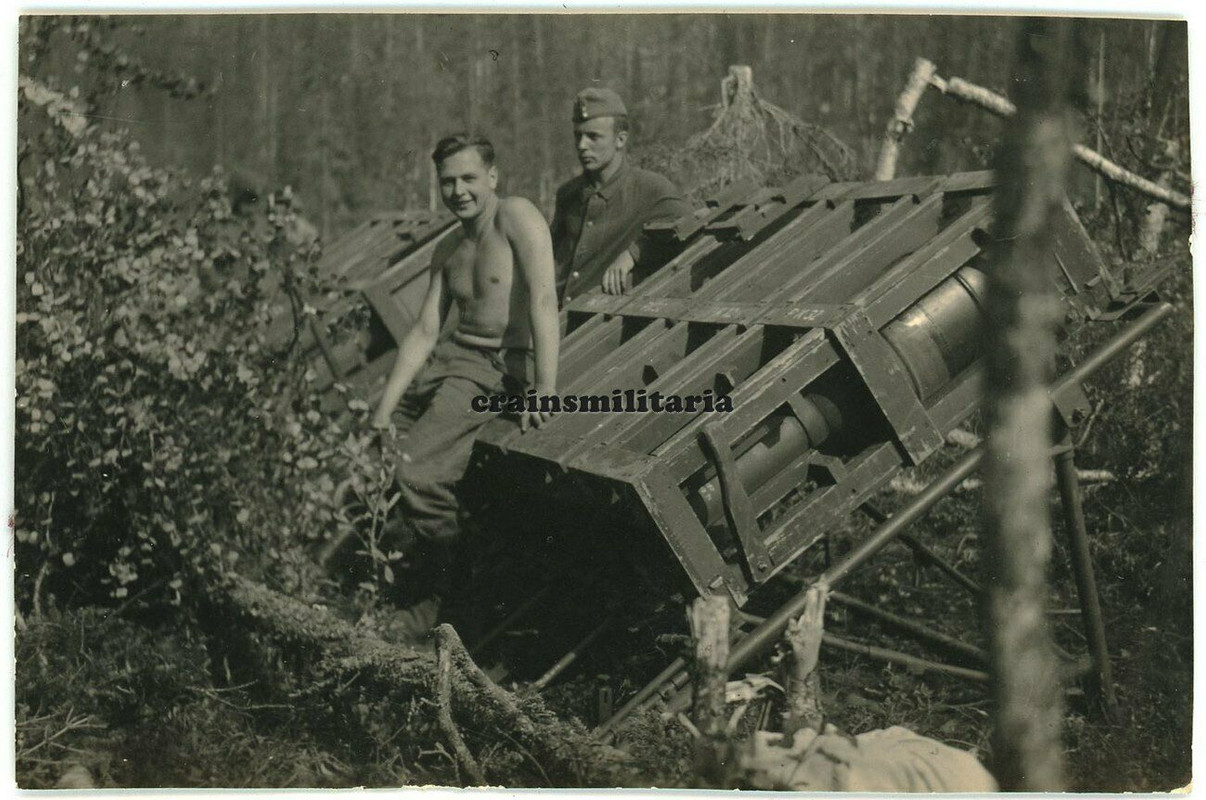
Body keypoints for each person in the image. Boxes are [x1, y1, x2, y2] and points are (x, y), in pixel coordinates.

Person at [369, 133, 559, 613]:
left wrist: (545, 387)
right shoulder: (449, 248)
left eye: (469, 178)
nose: (459, 192)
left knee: (416, 471)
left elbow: (543, 299)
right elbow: (424, 331)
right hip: (454, 361)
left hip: (498, 368)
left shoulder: (516, 217)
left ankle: (452, 591)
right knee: (378, 459)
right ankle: (399, 579)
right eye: (448, 182)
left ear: (492, 176)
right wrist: (383, 412)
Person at [551, 88, 693, 305]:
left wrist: (634, 253)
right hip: (558, 314)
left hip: (603, 318)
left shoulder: (650, 189)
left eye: (593, 137)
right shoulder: (568, 194)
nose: (582, 146)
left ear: (620, 139)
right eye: (578, 135)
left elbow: (691, 227)